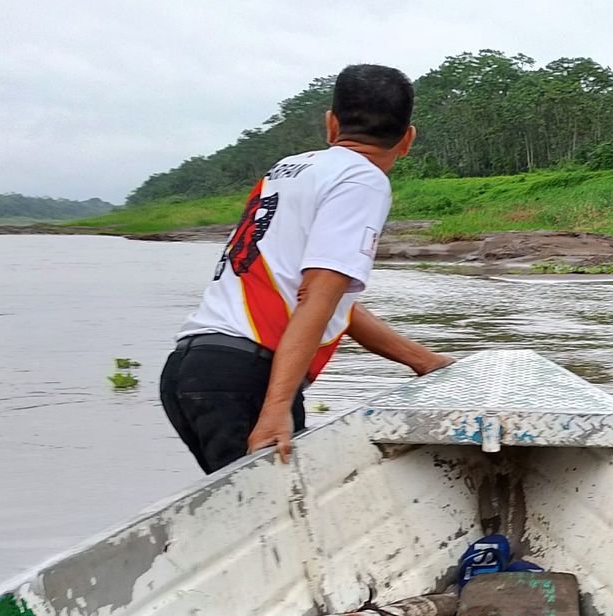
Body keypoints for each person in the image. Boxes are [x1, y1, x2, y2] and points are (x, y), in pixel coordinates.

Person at [160, 64, 453, 473]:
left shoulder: (287, 170)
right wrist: (276, 406)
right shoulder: (362, 180)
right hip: (246, 381)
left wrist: (422, 361)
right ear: (408, 139)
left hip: (191, 370)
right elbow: (319, 295)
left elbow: (324, 299)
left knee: (257, 522)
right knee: (268, 523)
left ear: (331, 125)